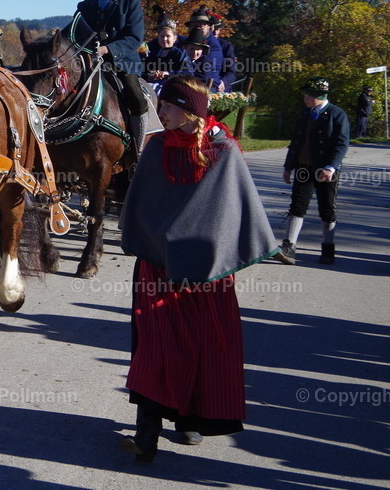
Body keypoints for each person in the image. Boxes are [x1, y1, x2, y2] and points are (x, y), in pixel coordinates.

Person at [118, 75, 279, 463]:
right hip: (159, 268)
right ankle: (148, 433)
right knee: (157, 345)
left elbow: (229, 213)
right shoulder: (156, 148)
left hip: (206, 275)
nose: (161, 114)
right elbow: (142, 205)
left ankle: (190, 420)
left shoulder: (224, 150)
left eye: (168, 107)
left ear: (190, 109)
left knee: (202, 344)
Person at [274, 77, 351, 266]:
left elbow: (341, 144)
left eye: (309, 95)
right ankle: (289, 246)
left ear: (319, 96)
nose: (305, 99)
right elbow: (297, 142)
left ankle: (328, 247)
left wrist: (331, 167)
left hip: (325, 170)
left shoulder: (336, 114)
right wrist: (288, 166)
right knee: (297, 205)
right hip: (303, 167)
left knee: (327, 208)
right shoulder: (305, 113)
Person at [75, 0, 147, 116]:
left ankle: (141, 136)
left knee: (137, 100)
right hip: (88, 63)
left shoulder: (130, 2)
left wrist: (107, 49)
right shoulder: (85, 6)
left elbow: (135, 38)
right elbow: (73, 35)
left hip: (122, 64)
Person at [143, 9, 192, 94]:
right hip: (152, 85)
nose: (164, 39)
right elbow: (144, 71)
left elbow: (188, 73)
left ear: (174, 38)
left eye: (168, 36)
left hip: (173, 87)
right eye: (162, 36)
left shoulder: (180, 54)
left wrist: (167, 73)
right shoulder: (153, 54)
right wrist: (151, 74)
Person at [180, 6, 224, 91]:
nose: (197, 29)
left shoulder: (213, 45)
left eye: (201, 26)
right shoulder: (185, 41)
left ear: (209, 27)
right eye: (194, 26)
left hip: (207, 86)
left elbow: (203, 71)